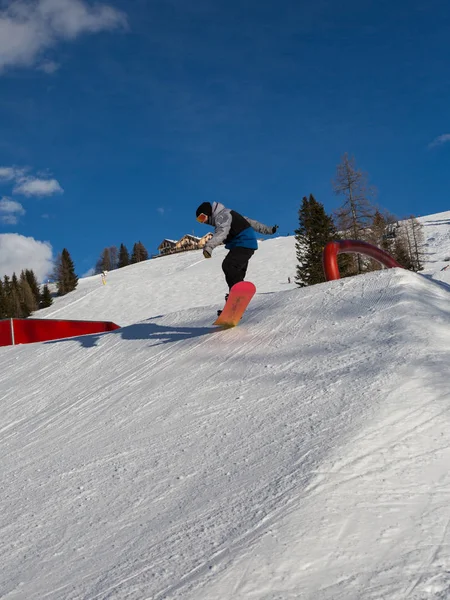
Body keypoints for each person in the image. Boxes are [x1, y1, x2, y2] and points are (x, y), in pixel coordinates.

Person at [195, 201, 278, 306]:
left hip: (243, 243)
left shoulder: (222, 216)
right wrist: (268, 230)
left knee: (229, 266)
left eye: (202, 218)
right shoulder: (228, 213)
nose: (202, 222)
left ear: (208, 213)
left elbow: (222, 232)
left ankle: (237, 297)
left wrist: (209, 247)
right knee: (236, 274)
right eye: (199, 220)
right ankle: (235, 303)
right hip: (245, 245)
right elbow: (250, 222)